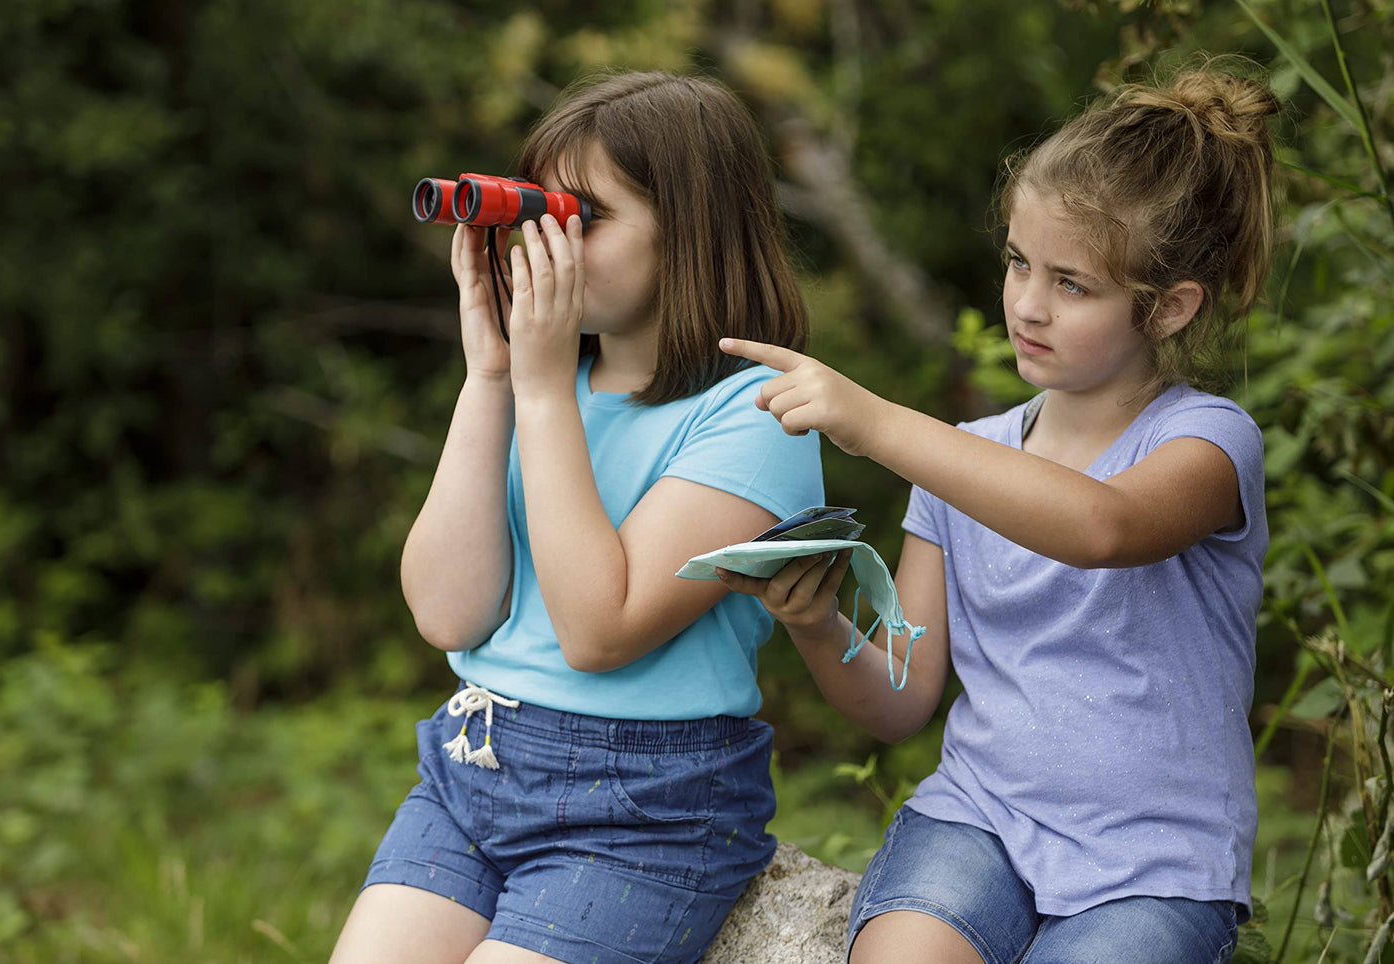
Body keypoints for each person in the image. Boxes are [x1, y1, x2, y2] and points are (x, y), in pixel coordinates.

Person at [716, 66, 1278, 964]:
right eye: (1018, 263)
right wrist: (820, 625)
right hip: (979, 821)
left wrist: (877, 424)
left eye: (1072, 284)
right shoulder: (963, 456)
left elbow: (1104, 529)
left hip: (1156, 864)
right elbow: (901, 704)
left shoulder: (1209, 443)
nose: (1025, 304)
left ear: (1168, 308)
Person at [329, 71, 823, 964]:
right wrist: (492, 377)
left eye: (583, 218)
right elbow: (448, 613)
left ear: (692, 234)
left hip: (644, 812)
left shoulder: (756, 412)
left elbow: (600, 631)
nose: (544, 243)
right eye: (539, 214)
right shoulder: (540, 385)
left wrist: (541, 389)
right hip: (473, 768)